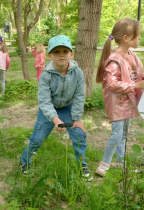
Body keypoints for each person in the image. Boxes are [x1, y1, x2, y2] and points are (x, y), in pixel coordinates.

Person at [19, 35, 92, 181]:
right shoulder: (46, 76)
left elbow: (79, 96)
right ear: (49, 56)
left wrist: (77, 118)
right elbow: (44, 101)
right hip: (48, 110)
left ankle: (82, 165)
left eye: (65, 51)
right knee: (37, 138)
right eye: (56, 52)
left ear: (71, 54)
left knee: (79, 134)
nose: (61, 55)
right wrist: (55, 119)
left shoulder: (77, 72)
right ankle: (25, 162)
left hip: (67, 108)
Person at [95, 18, 144, 176]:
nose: (140, 38)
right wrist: (135, 86)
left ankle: (121, 163)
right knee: (117, 134)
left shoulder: (130, 55)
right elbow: (111, 84)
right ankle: (104, 164)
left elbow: (131, 74)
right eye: (137, 35)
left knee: (124, 134)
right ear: (126, 38)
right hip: (118, 104)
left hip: (129, 102)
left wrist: (143, 77)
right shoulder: (115, 59)